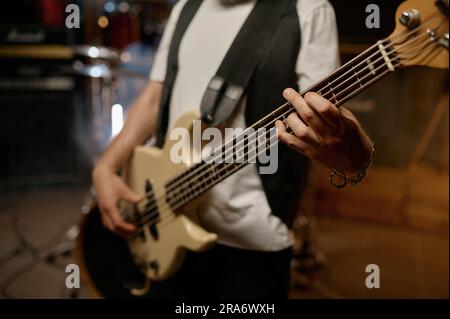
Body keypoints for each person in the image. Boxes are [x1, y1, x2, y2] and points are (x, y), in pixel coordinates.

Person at [92, 0, 374, 298]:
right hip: (165, 215)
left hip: (251, 241)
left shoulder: (308, 10)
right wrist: (106, 166)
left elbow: (323, 122)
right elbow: (155, 95)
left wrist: (354, 153)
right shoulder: (186, 7)